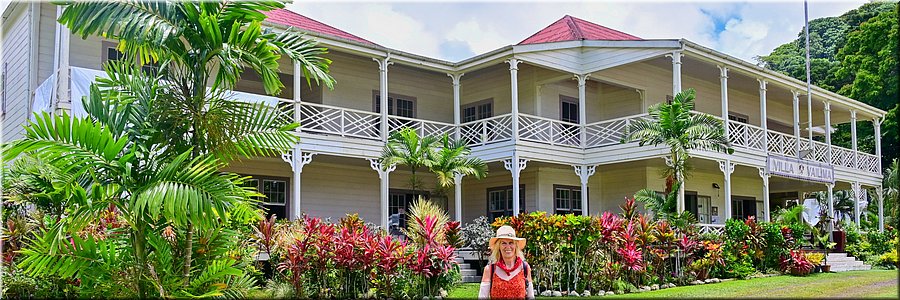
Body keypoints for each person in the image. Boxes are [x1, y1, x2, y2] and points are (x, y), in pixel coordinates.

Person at [478, 225, 534, 299]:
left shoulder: (525, 268)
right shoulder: (490, 269)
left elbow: (531, 297)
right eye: (503, 243)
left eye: (511, 243)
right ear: (498, 246)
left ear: (516, 245)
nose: (508, 247)